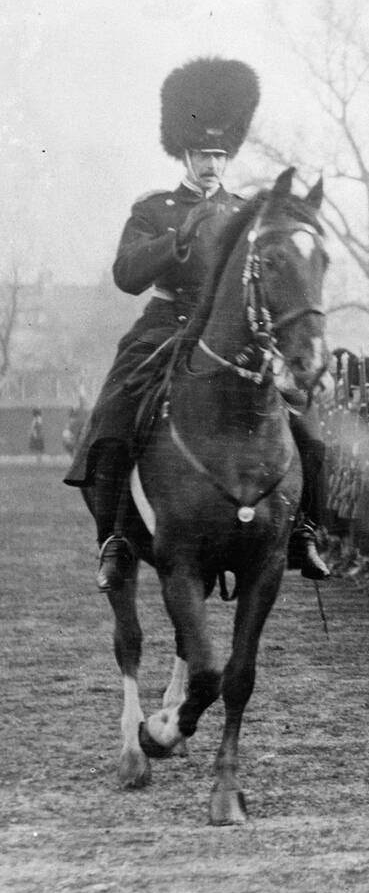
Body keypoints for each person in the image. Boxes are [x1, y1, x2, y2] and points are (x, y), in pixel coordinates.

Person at [64, 56, 330, 590]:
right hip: (165, 323)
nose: (212, 164)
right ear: (183, 153)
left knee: (309, 430)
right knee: (114, 417)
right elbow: (126, 275)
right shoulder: (154, 208)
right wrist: (176, 239)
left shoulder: (246, 214)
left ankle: (304, 530)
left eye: (220, 155)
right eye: (203, 154)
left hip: (236, 336)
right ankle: (114, 538)